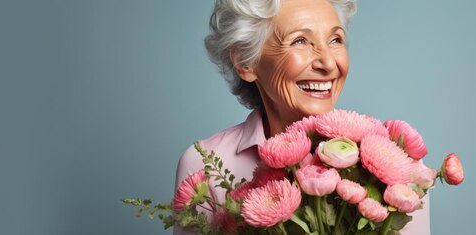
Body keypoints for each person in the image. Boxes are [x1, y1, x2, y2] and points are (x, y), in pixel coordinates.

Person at [174, 0, 430, 234]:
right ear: (244, 61)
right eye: (300, 41)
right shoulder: (203, 166)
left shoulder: (398, 171)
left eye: (335, 40)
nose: (328, 63)